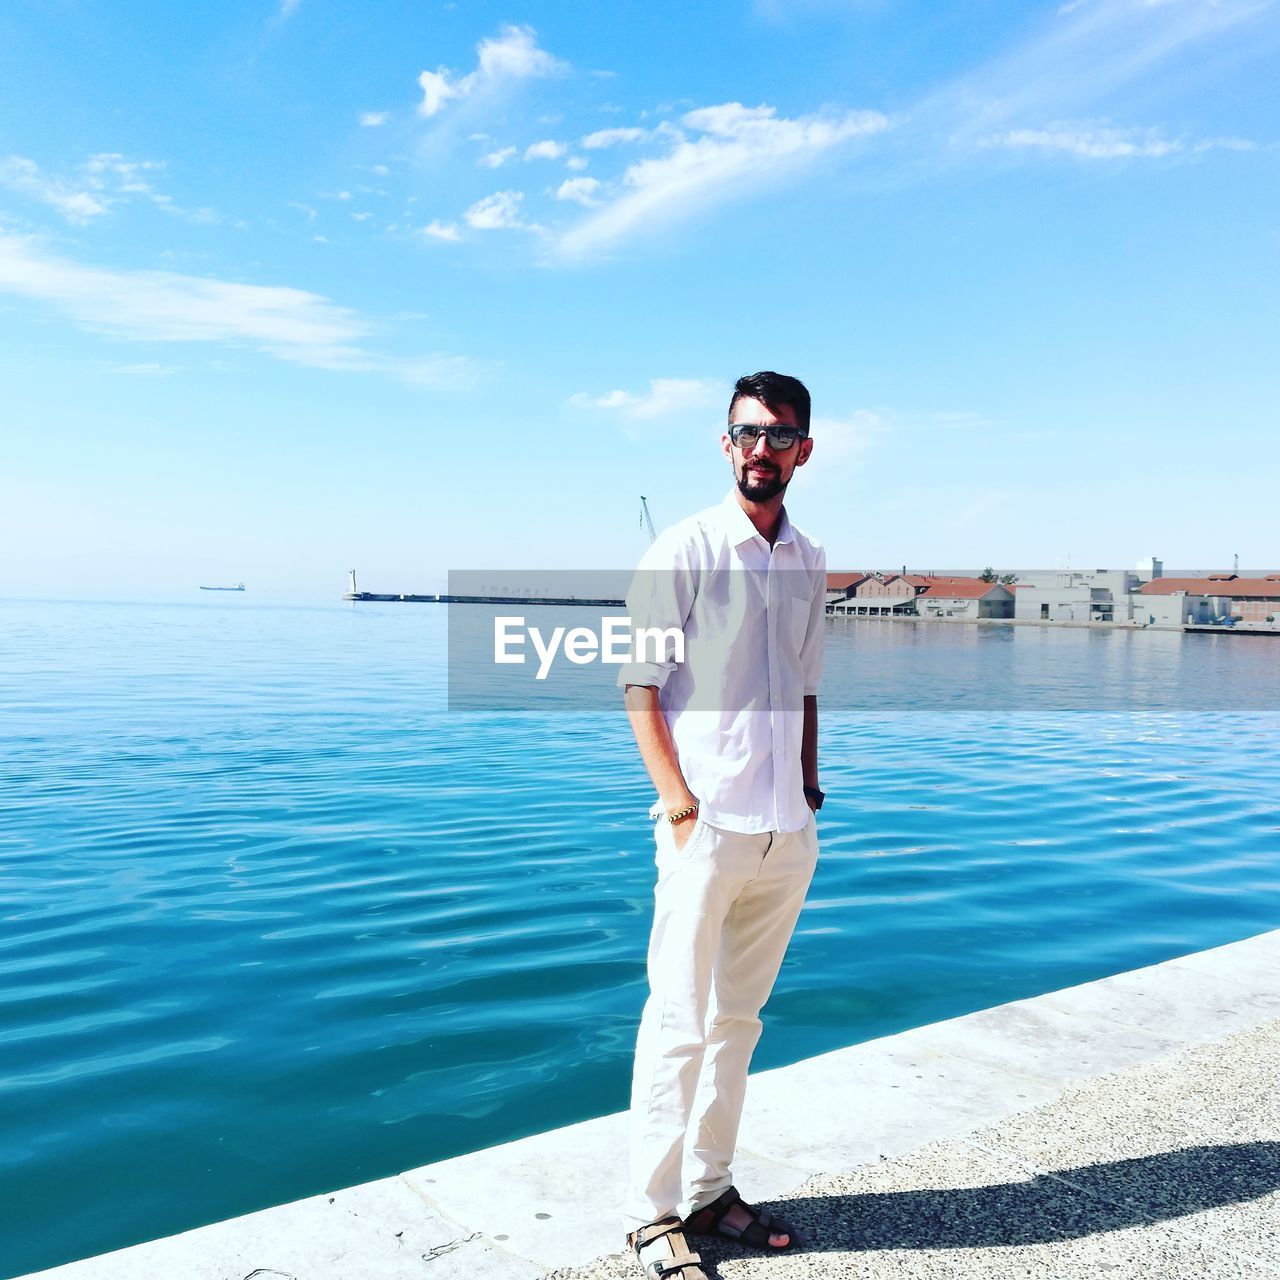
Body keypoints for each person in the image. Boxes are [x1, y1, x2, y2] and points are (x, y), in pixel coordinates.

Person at [617, 371, 827, 1280]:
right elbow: (639, 686)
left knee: (738, 1020)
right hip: (706, 826)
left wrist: (812, 788)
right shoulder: (688, 547)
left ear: (802, 451)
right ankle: (651, 1213)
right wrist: (679, 804)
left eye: (779, 436)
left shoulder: (810, 557)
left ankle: (711, 1189)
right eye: (747, 433)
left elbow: (809, 682)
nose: (761, 449)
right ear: (725, 441)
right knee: (678, 1021)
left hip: (786, 829)